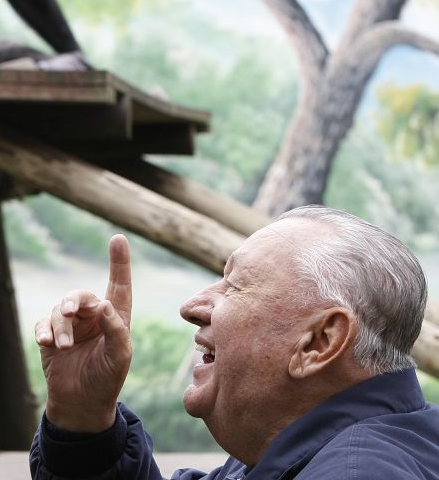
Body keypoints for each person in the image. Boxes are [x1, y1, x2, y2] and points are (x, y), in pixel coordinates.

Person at [30, 205, 439, 479]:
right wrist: (82, 420)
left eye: (236, 286)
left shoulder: (355, 473)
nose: (192, 306)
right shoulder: (307, 451)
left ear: (319, 342)